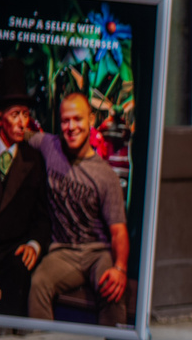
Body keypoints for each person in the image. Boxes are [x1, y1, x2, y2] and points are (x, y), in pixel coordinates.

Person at [26, 93, 129, 326]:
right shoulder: (49, 146)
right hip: (63, 252)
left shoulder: (105, 176)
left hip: (97, 251)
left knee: (112, 288)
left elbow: (118, 231)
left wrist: (120, 268)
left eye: (77, 119)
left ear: (90, 120)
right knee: (39, 283)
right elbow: (19, 133)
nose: (71, 127)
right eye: (65, 120)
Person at [0, 91, 50, 317]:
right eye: (15, 114)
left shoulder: (34, 160)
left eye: (25, 114)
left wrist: (34, 244)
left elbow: (43, 215)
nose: (22, 122)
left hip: (12, 254)